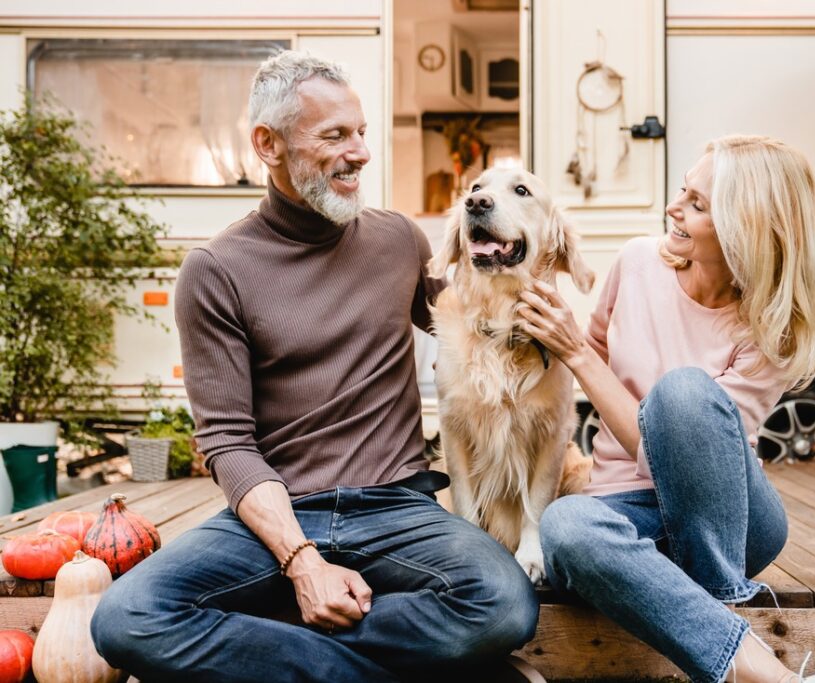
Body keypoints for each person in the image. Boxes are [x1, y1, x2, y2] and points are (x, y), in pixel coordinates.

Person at [90, 51, 538, 682]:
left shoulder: (398, 239)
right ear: (267, 144)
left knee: (503, 606)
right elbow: (227, 443)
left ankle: (280, 647)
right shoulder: (215, 271)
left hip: (397, 509)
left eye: (360, 133)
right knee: (128, 616)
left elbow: (482, 323)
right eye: (334, 136)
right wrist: (302, 563)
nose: (359, 153)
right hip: (276, 513)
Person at [518, 135, 815, 683]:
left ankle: (718, 621)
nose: (674, 208)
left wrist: (575, 350)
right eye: (683, 191)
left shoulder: (770, 327)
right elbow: (590, 369)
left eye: (698, 205)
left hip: (729, 520)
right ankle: (751, 662)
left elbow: (666, 453)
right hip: (624, 507)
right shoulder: (635, 262)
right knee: (567, 526)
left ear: (745, 229)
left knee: (683, 394)